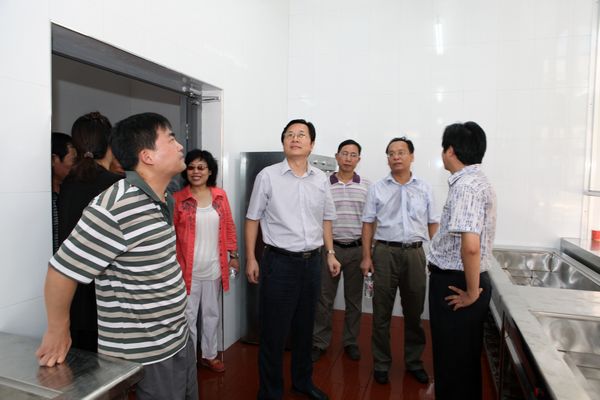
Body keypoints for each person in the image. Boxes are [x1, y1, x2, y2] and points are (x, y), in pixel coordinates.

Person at [36, 112, 198, 400]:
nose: (180, 146)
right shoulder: (115, 206)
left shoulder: (161, 199)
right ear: (147, 155)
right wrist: (58, 330)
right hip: (145, 353)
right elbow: (61, 270)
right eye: (171, 139)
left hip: (176, 338)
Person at [245, 119, 341, 400]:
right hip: (279, 263)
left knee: (304, 328)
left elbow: (326, 219)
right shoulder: (267, 176)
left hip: (312, 263)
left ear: (311, 144)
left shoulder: (320, 179)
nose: (295, 138)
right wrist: (251, 258)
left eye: (301, 135)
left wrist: (330, 253)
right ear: (284, 142)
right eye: (289, 134)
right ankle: (270, 391)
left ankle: (302, 381)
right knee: (273, 332)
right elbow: (252, 219)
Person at [360, 137, 439, 385]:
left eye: (401, 152)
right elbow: (367, 224)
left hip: (415, 253)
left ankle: (414, 362)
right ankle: (381, 363)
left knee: (414, 312)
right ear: (388, 159)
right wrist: (366, 256)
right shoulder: (377, 188)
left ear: (411, 156)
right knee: (381, 312)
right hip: (384, 252)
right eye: (391, 153)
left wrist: (435, 256)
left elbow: (433, 224)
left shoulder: (424, 188)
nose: (396, 157)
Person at [428, 121, 496, 400]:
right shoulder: (477, 181)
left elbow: (470, 247)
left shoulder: (466, 186)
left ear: (450, 151)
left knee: (453, 362)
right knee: (462, 360)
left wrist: (471, 291)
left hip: (456, 284)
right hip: (462, 280)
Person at [57, 111, 122, 353]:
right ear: (110, 144)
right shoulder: (116, 186)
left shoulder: (68, 183)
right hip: (107, 295)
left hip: (72, 290)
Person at [173, 149, 238, 373]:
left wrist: (234, 256)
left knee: (212, 314)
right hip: (186, 271)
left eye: (201, 167)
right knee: (187, 317)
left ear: (210, 171)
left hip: (214, 268)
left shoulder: (220, 196)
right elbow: (171, 234)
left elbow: (229, 226)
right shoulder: (177, 199)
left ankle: (209, 355)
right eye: (191, 167)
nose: (196, 172)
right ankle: (189, 359)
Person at [311, 139, 370, 363]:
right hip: (330, 249)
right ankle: (319, 342)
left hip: (357, 250)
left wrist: (368, 253)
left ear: (359, 159)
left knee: (354, 300)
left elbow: (371, 222)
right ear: (337, 157)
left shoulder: (367, 186)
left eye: (353, 155)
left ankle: (350, 342)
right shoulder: (323, 183)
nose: (348, 158)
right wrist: (328, 251)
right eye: (344, 154)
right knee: (324, 299)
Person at [51, 132, 76, 253]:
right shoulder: (40, 198)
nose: (75, 166)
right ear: (53, 159)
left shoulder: (71, 190)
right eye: (73, 160)